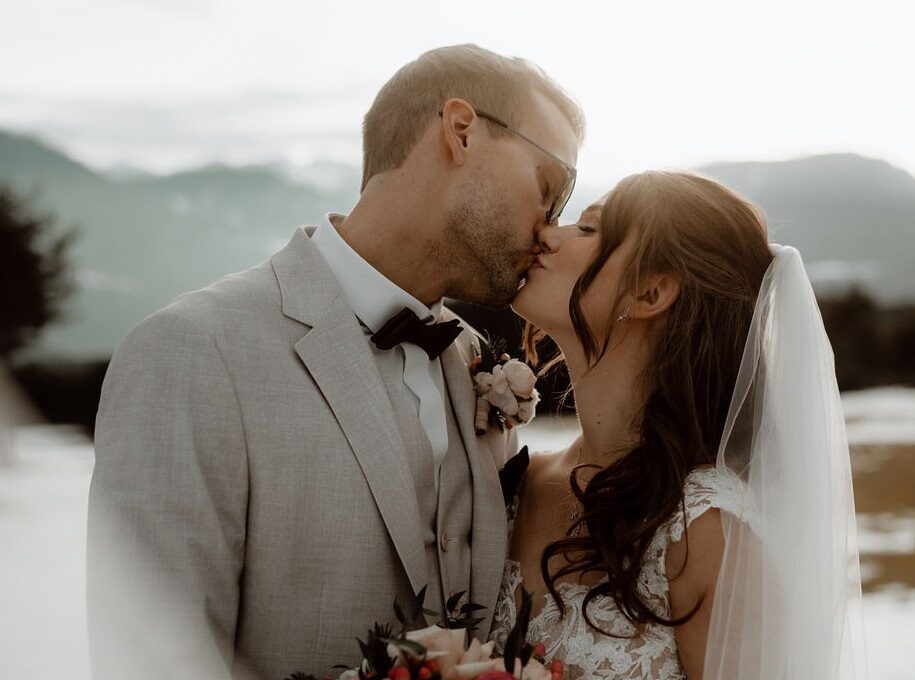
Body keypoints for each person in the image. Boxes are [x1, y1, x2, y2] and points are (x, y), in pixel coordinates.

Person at [87, 44, 583, 679]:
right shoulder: (193, 350)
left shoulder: (475, 363)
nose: (550, 229)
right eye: (553, 189)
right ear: (461, 131)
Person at [492, 171, 868, 679]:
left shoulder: (707, 534)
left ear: (650, 293)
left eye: (588, 230)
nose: (549, 234)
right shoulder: (518, 480)